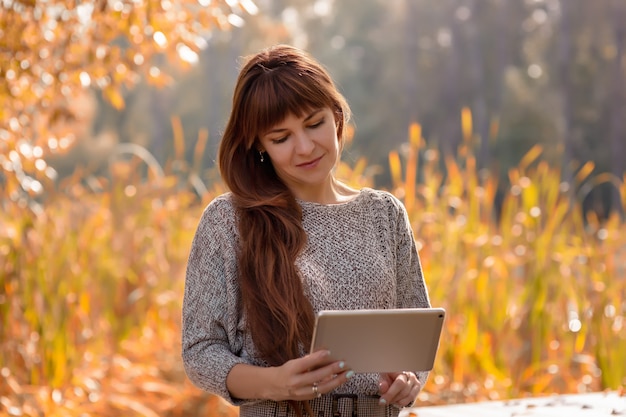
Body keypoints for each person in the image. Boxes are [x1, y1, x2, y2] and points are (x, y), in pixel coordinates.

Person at [181, 44, 431, 417]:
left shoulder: (384, 214)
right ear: (259, 146)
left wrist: (409, 380)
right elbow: (200, 352)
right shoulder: (230, 221)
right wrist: (276, 383)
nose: (305, 147)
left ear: (336, 116)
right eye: (281, 138)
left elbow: (416, 337)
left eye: (314, 124)